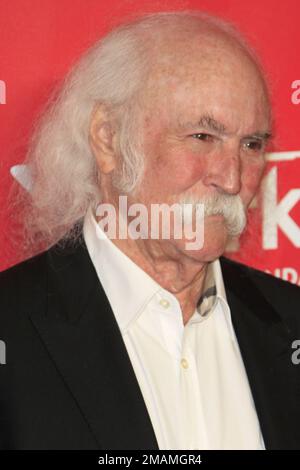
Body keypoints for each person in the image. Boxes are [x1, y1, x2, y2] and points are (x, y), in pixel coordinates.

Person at [0, 11, 299, 450]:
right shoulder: (13, 328)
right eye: (202, 137)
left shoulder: (290, 321)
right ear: (108, 139)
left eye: (251, 145)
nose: (233, 180)